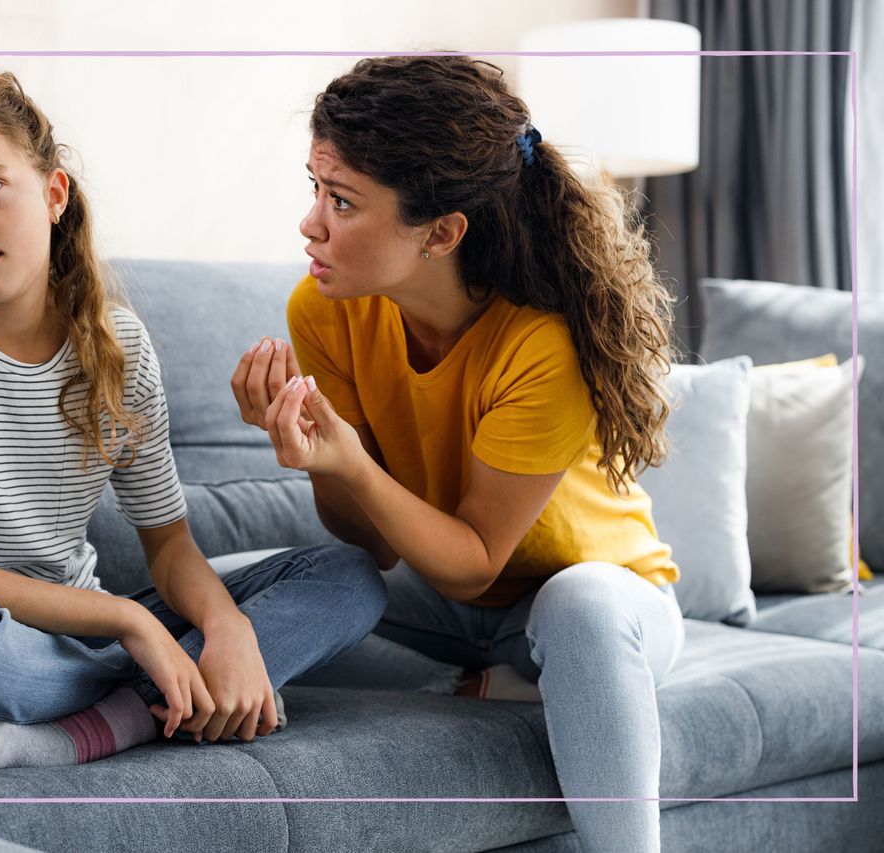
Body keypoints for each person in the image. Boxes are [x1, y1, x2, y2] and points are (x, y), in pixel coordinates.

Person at [0, 63, 386, 778]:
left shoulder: (120, 346)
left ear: (52, 193)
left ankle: (100, 723)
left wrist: (226, 624)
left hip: (74, 635)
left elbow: (169, 550)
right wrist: (133, 625)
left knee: (349, 576)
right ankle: (166, 693)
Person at [231, 55, 685, 852]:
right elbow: (366, 540)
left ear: (441, 232)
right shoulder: (325, 307)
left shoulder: (542, 343)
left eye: (341, 201)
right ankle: (485, 688)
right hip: (450, 613)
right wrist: (321, 460)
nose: (311, 222)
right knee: (264, 582)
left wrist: (352, 460)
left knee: (577, 606)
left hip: (601, 606)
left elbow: (475, 556)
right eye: (316, 188)